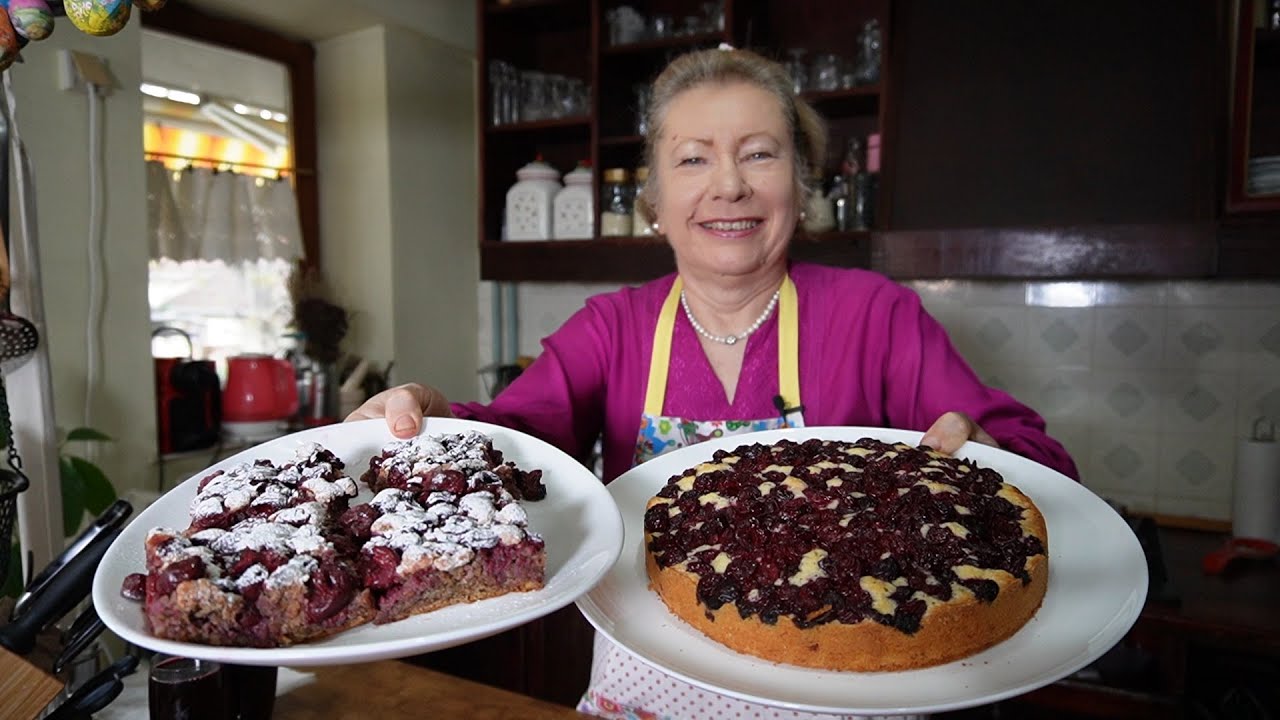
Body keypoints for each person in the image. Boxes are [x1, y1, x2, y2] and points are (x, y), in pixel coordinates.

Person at [349, 46, 1078, 720]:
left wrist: (988, 459)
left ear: (800, 182)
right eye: (694, 160)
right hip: (644, 694)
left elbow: (1040, 465)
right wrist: (446, 428)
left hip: (850, 688)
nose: (730, 185)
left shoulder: (876, 315)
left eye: (760, 154)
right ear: (656, 202)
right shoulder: (611, 328)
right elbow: (522, 447)